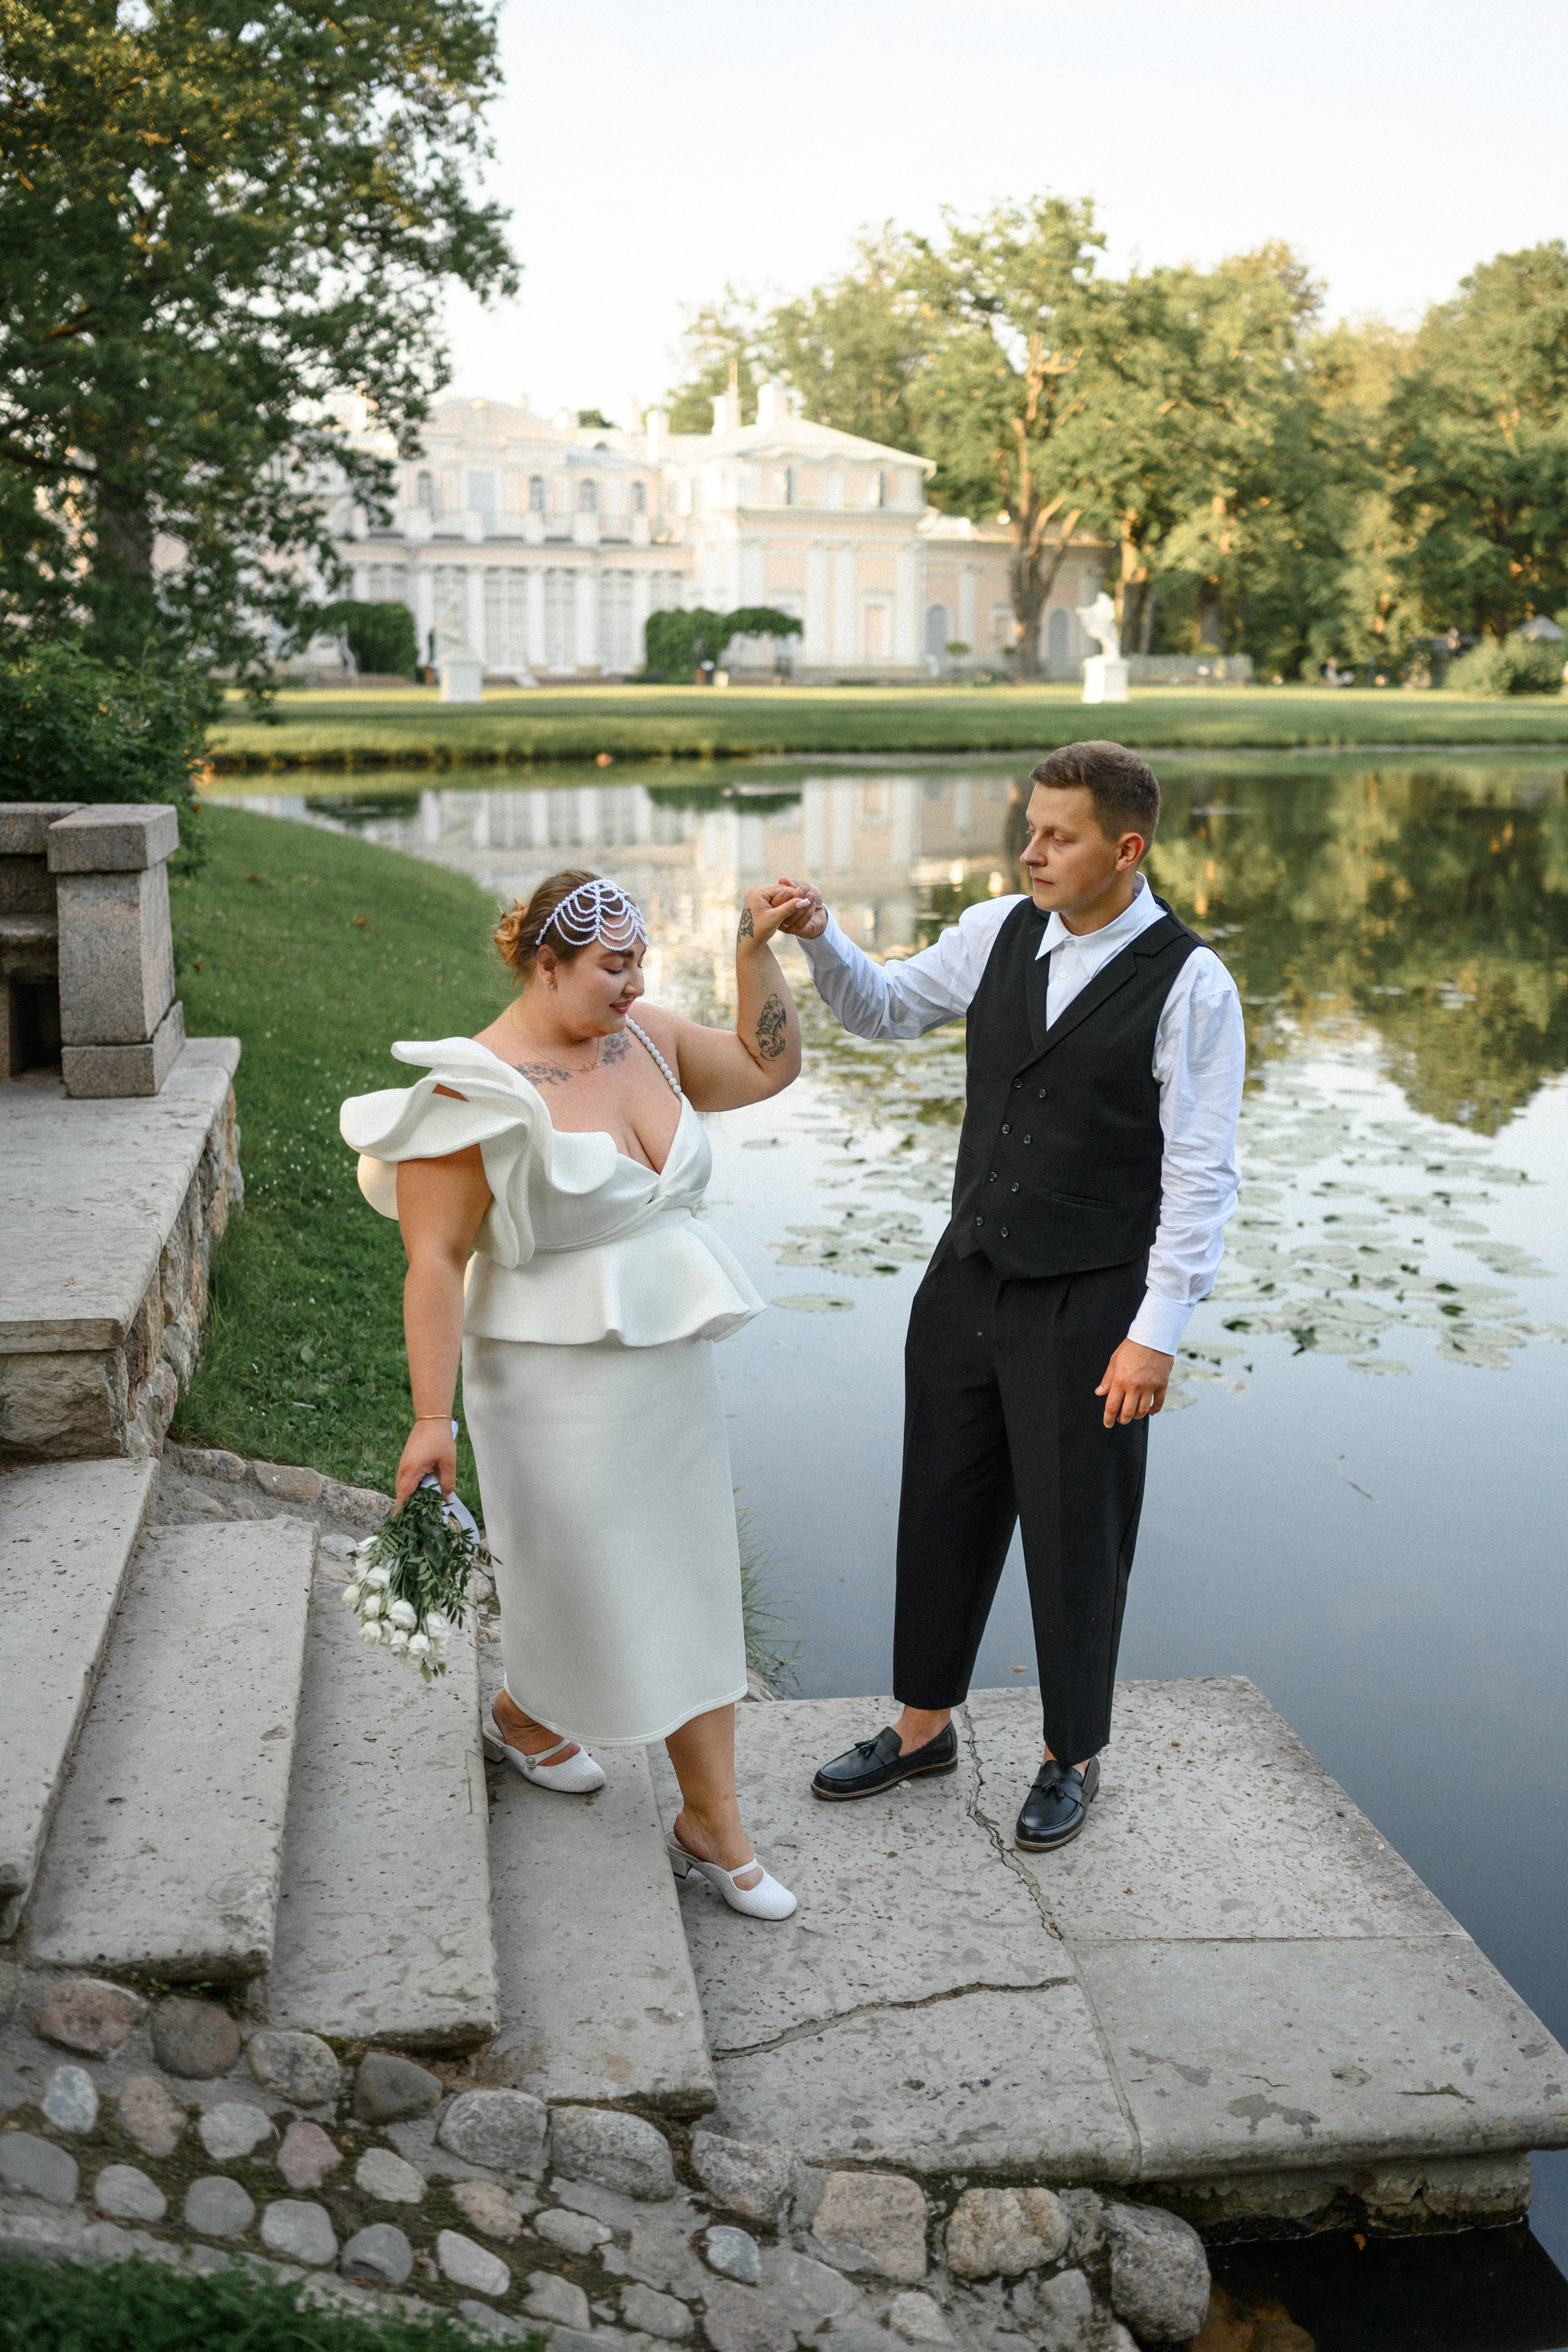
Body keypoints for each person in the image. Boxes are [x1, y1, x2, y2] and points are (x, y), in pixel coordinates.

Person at [772, 741, 1245, 1852]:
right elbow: (884, 1010)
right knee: (940, 1503)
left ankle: (1070, 1751)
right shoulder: (997, 931)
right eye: (1029, 827)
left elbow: (1202, 1173)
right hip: (966, 1277)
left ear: (1126, 850)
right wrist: (823, 934)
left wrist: (1155, 1335)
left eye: (1058, 835)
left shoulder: (1192, 982)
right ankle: (923, 1724)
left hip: (1091, 1307)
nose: (1029, 850)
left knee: (1078, 1534)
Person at [339, 869, 810, 1920]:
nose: (635, 983)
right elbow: (432, 1260)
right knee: (587, 1578)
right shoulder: (473, 1090)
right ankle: (528, 1712)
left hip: (666, 1358)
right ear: (543, 963)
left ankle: (710, 1822)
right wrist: (430, 1419)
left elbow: (767, 1068)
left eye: (641, 960)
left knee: (689, 1575)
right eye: (612, 965)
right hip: (550, 1379)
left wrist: (751, 955)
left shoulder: (643, 1038)